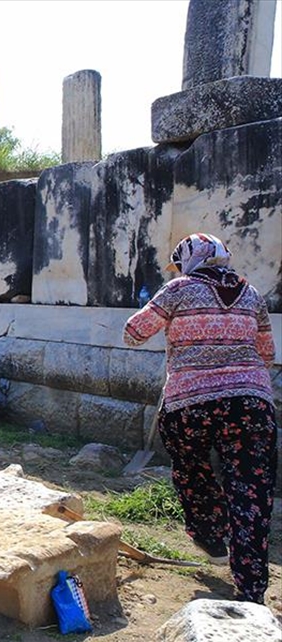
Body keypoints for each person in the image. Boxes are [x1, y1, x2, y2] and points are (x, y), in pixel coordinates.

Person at [124, 233, 276, 605]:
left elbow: (133, 334)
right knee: (251, 492)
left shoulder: (178, 290)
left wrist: (155, 306)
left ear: (190, 261)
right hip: (251, 404)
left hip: (189, 404)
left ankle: (210, 535)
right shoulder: (253, 295)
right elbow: (267, 354)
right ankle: (252, 588)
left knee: (190, 468)